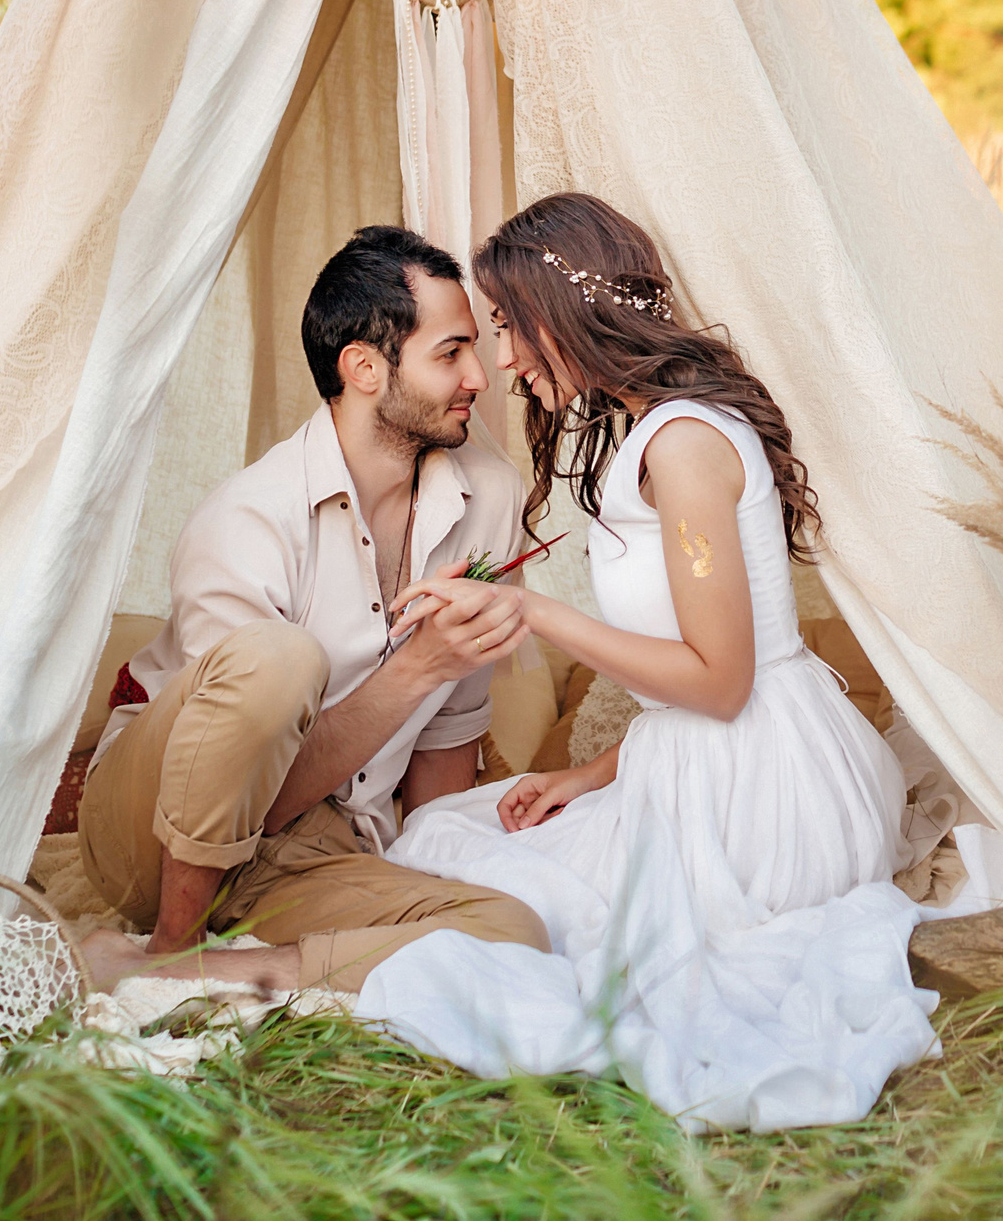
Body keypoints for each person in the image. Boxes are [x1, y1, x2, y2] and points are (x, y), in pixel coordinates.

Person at [352, 193, 943, 1131]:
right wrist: (586, 776)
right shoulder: (649, 434)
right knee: (451, 846)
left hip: (766, 801)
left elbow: (719, 680)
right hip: (712, 760)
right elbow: (693, 693)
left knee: (481, 891)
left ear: (564, 311)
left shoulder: (685, 445)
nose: (502, 360)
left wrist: (529, 609)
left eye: (508, 328)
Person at [74, 226, 549, 994]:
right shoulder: (249, 520)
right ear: (364, 367)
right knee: (281, 657)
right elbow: (238, 786)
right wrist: (418, 666)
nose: (481, 377)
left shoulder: (486, 494)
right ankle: (171, 938)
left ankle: (192, 974)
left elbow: (449, 738)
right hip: (154, 829)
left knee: (512, 930)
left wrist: (430, 875)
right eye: (450, 351)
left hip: (315, 847)